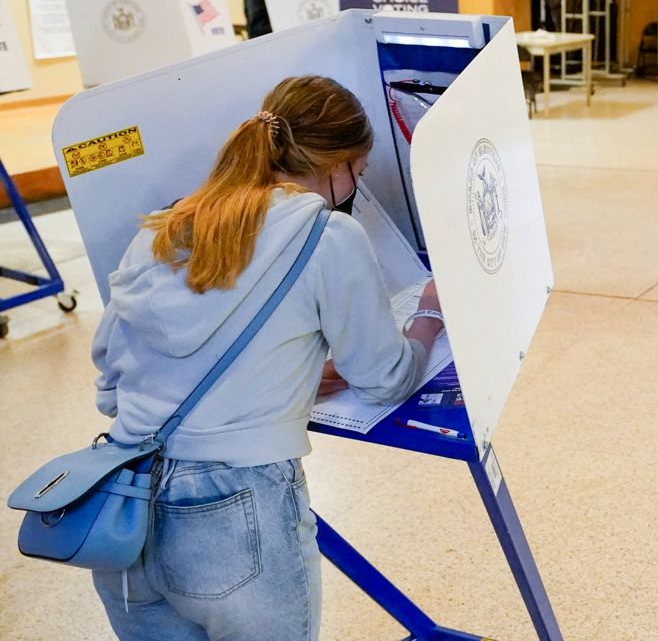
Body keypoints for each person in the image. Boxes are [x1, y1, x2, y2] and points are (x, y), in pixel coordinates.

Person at [89, 76, 443, 640]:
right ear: (337, 167)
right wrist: (427, 316)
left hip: (122, 513)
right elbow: (386, 379)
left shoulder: (165, 226)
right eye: (360, 167)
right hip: (238, 513)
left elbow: (109, 381)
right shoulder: (329, 236)